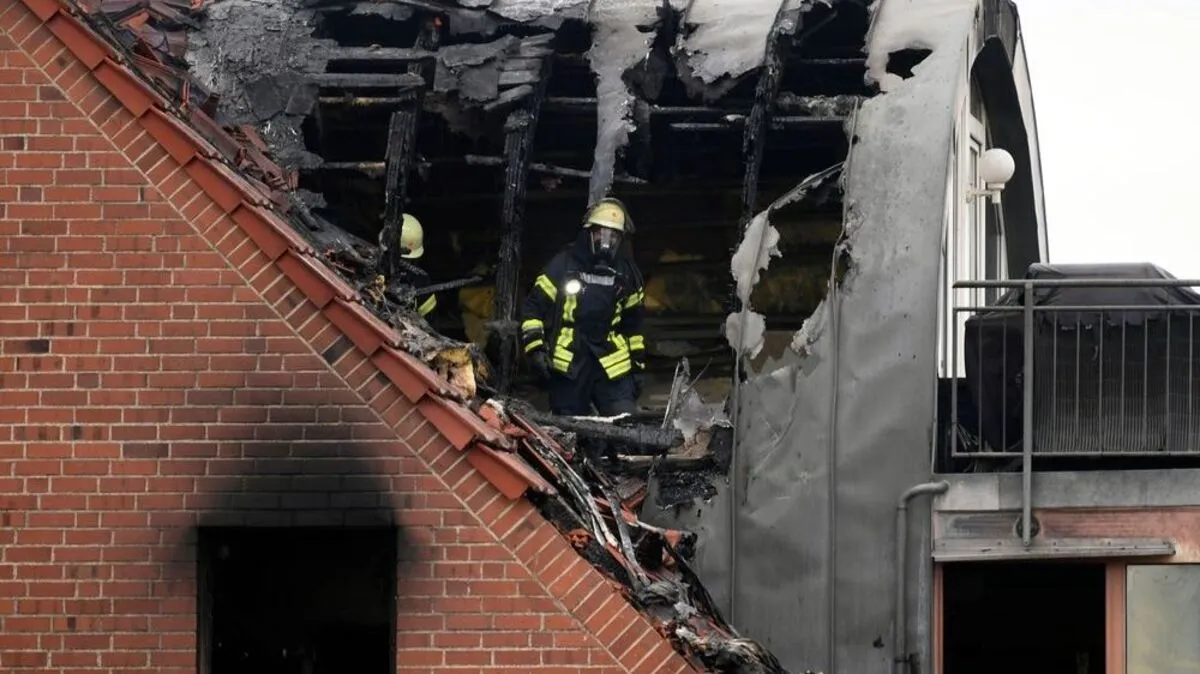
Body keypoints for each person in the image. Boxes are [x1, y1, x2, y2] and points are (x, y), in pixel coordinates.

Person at [520, 198, 646, 417]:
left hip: (611, 362)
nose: (606, 240)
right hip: (570, 363)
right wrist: (535, 349)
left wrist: (637, 367)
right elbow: (533, 308)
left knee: (625, 425)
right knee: (571, 430)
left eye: (614, 235)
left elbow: (633, 325)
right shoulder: (563, 265)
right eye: (601, 232)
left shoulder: (627, 274)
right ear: (589, 232)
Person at [397, 213, 438, 318]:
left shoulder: (421, 280)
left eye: (407, 260)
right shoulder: (370, 268)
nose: (404, 265)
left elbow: (428, 321)